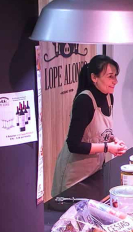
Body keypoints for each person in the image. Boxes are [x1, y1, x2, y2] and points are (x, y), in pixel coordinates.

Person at [52, 54, 128, 195]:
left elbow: (98, 129)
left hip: (94, 170)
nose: (115, 81)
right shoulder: (84, 101)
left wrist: (112, 139)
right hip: (75, 174)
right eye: (110, 76)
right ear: (94, 78)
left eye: (116, 76)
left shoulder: (109, 96)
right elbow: (73, 145)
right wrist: (108, 147)